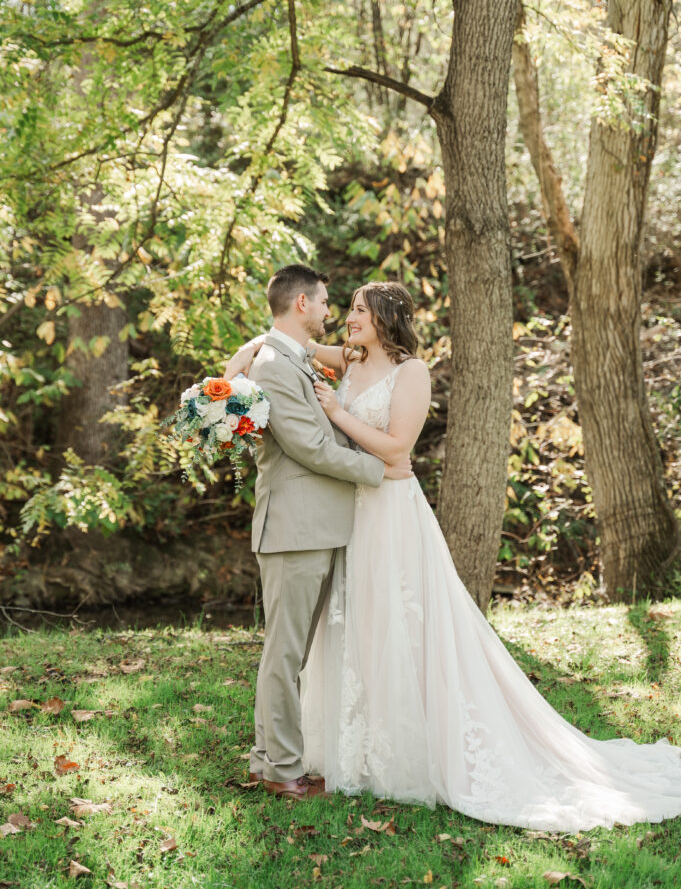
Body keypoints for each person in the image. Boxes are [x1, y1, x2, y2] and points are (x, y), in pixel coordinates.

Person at [231, 277, 681, 831]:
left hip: (390, 507)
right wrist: (252, 350)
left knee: (403, 623)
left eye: (359, 310)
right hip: (350, 514)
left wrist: (338, 414)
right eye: (343, 307)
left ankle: (404, 745)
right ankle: (351, 747)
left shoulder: (412, 372)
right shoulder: (349, 358)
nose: (347, 316)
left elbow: (398, 448)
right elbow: (292, 347)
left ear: (386, 319)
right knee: (358, 628)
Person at [224, 265, 412, 801]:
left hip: (314, 525)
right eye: (327, 302)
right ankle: (283, 769)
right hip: (295, 528)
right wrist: (380, 470)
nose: (332, 311)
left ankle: (268, 759)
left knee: (290, 654)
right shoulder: (275, 365)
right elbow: (310, 447)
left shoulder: (290, 356)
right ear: (302, 303)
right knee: (285, 655)